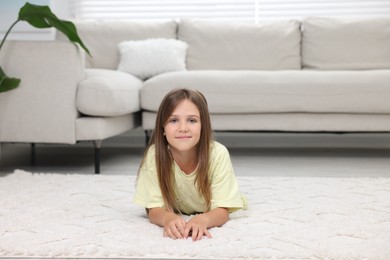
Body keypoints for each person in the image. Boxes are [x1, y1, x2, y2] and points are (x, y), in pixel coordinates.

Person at [133, 88, 247, 241]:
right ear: (163, 128)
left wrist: (203, 220)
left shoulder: (218, 153)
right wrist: (167, 218)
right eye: (173, 120)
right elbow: (153, 209)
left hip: (213, 206)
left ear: (203, 125)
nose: (183, 128)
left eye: (192, 120)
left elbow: (223, 210)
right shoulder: (155, 155)